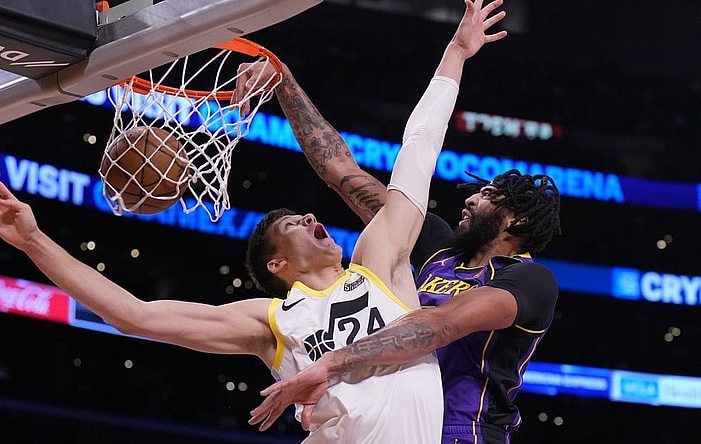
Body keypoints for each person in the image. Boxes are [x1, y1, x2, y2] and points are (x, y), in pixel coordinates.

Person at [0, 1, 506, 441]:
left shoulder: (380, 265)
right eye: (293, 222)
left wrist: (455, 55)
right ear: (277, 263)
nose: (312, 216)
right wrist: (33, 240)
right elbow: (136, 316)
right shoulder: (270, 321)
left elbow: (419, 152)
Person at [238, 1, 561, 443]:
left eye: (487, 197)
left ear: (517, 220)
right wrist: (284, 83)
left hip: (462, 431)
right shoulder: (437, 245)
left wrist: (331, 362)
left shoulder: (528, 280)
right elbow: (341, 172)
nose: (469, 198)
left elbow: (441, 325)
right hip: (391, 425)